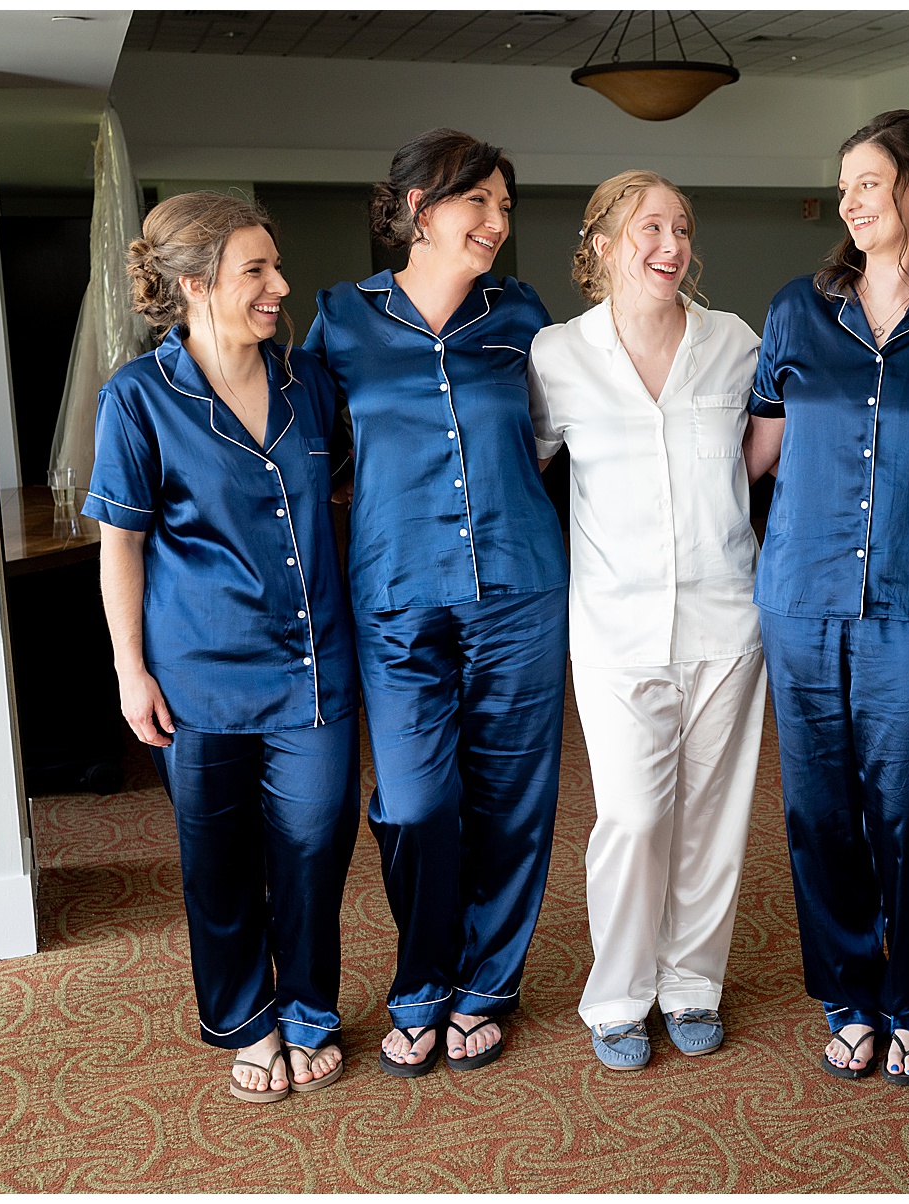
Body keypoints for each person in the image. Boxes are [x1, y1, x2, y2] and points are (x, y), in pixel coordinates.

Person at [747, 110, 909, 1086]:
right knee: (820, 808)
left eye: (868, 181)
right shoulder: (796, 311)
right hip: (802, 594)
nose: (852, 200)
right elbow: (756, 450)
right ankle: (850, 995)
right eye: (845, 185)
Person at [304, 129, 569, 1078]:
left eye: (505, 206)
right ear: (419, 210)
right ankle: (421, 981)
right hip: (397, 590)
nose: (498, 223)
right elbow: (304, 448)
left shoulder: (522, 313)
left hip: (521, 582)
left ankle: (486, 987)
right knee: (417, 801)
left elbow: (548, 434)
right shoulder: (341, 319)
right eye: (479, 204)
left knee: (511, 799)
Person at [85, 191, 359, 1103]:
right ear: (197, 285)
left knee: (317, 843)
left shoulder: (309, 384)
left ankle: (309, 1007)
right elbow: (120, 541)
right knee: (218, 857)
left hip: (313, 660)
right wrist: (131, 670)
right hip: (198, 671)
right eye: (258, 270)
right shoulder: (138, 398)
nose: (282, 284)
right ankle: (248, 1017)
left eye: (275, 266)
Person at [528, 171, 772, 1071]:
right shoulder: (558, 355)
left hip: (724, 620)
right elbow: (528, 465)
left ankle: (693, 985)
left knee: (713, 817)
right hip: (615, 626)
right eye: (649, 228)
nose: (671, 245)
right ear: (599, 245)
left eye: (681, 227)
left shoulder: (734, 344)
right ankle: (620, 995)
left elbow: (763, 450)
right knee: (632, 818)